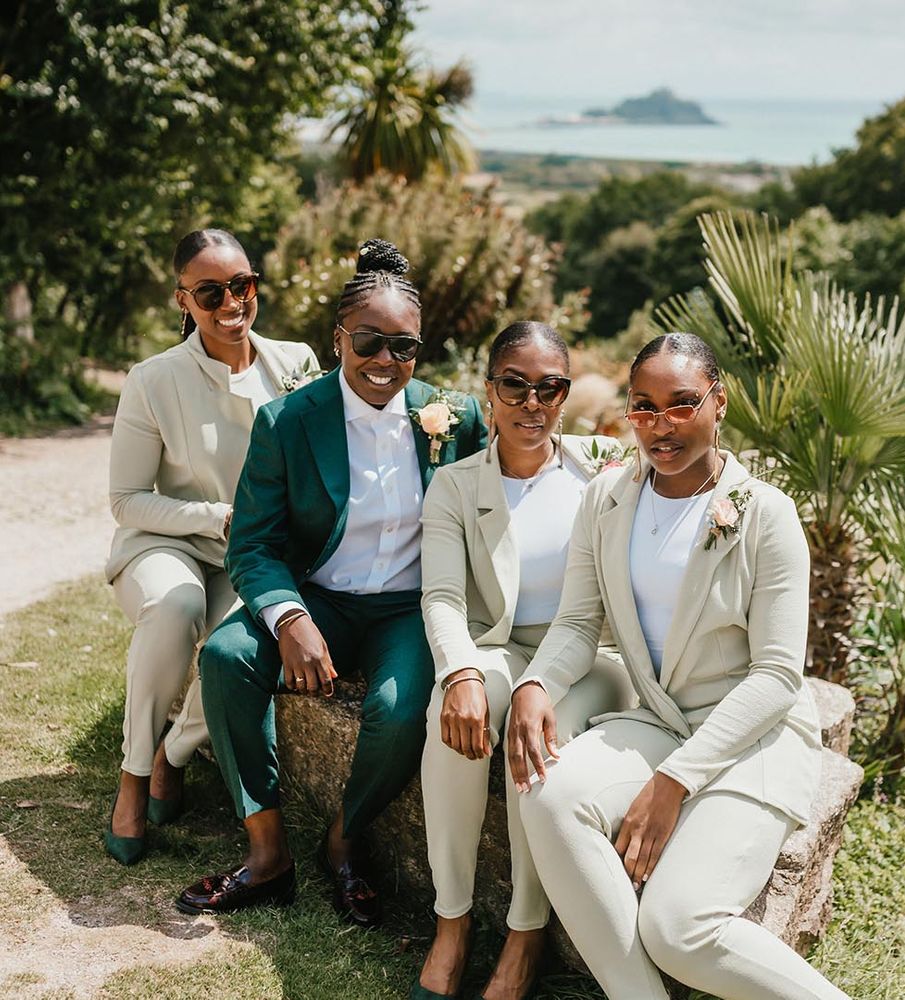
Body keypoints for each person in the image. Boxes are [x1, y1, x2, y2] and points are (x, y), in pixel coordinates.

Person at [507, 333, 848, 999]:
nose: (661, 426)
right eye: (643, 408)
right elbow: (579, 622)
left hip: (754, 737)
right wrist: (534, 684)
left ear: (718, 403)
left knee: (678, 928)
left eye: (682, 404)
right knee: (546, 793)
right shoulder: (604, 502)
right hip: (661, 718)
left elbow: (778, 676)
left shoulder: (767, 517)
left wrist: (675, 782)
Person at [177, 239, 488, 924]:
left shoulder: (453, 419)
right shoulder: (288, 421)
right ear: (339, 338)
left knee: (402, 708)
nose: (385, 362)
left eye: (403, 348)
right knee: (226, 659)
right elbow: (253, 545)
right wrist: (288, 618)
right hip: (317, 594)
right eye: (369, 343)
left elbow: (516, 477)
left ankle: (342, 841)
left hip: (408, 607)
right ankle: (267, 854)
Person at [413, 322, 636, 1000]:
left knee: (537, 737)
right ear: (489, 390)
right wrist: (460, 674)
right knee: (451, 721)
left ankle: (524, 934)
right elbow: (444, 596)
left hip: (592, 655)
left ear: (566, 395)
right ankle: (451, 922)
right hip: (501, 644)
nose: (532, 402)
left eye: (550, 387)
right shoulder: (455, 485)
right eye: (515, 384)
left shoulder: (602, 466)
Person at [103, 228, 320, 865]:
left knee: (237, 643)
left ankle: (175, 752)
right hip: (165, 541)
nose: (232, 301)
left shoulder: (296, 363)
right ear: (184, 300)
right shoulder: (152, 380)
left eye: (243, 285)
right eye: (211, 291)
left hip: (252, 558)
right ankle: (135, 776)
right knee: (174, 607)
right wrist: (216, 516)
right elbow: (126, 499)